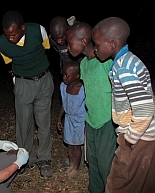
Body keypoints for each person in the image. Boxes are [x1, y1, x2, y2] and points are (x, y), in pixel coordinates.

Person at [92, 17, 155, 193]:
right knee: (145, 183)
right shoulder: (129, 61)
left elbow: (144, 108)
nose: (95, 50)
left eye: (97, 44)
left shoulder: (124, 67)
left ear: (112, 43)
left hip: (138, 138)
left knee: (118, 184)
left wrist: (129, 139)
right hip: (149, 136)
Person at [0, 10, 54, 179]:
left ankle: (44, 159)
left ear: (23, 28)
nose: (10, 38)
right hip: (23, 83)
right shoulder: (1, 43)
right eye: (7, 35)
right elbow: (9, 63)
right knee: (23, 124)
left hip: (44, 80)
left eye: (13, 34)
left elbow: (46, 48)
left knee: (43, 122)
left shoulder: (38, 30)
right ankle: (25, 159)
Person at [65, 22, 117, 193]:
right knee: (92, 162)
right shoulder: (83, 65)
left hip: (107, 121)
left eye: (70, 42)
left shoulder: (106, 62)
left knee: (105, 164)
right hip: (92, 121)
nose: (67, 47)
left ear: (84, 40)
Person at [57, 61, 86, 178]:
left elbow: (88, 107)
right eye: (63, 74)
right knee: (70, 144)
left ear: (77, 76)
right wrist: (59, 118)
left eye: (67, 75)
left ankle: (76, 168)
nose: (64, 77)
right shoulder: (63, 87)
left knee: (77, 145)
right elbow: (64, 104)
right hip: (68, 119)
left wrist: (86, 125)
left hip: (80, 121)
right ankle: (71, 163)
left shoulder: (83, 89)